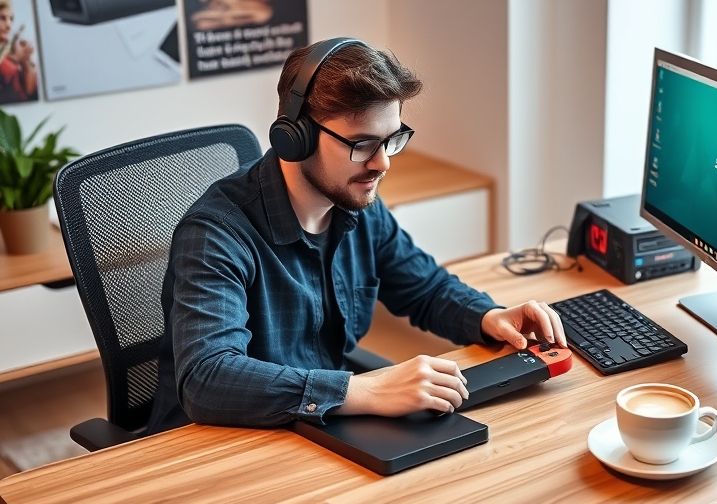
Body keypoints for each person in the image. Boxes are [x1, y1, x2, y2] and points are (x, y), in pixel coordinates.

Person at [147, 38, 567, 433]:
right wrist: (359, 389)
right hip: (217, 441)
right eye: (363, 143)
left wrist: (488, 317)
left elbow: (424, 286)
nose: (382, 163)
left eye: (392, 139)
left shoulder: (356, 204)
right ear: (295, 137)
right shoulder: (216, 234)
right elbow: (207, 379)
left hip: (313, 426)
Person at [0, 0, 36, 104]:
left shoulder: (14, 48)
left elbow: (29, 91)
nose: (9, 25)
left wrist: (26, 62)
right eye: (2, 18)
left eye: (11, 19)